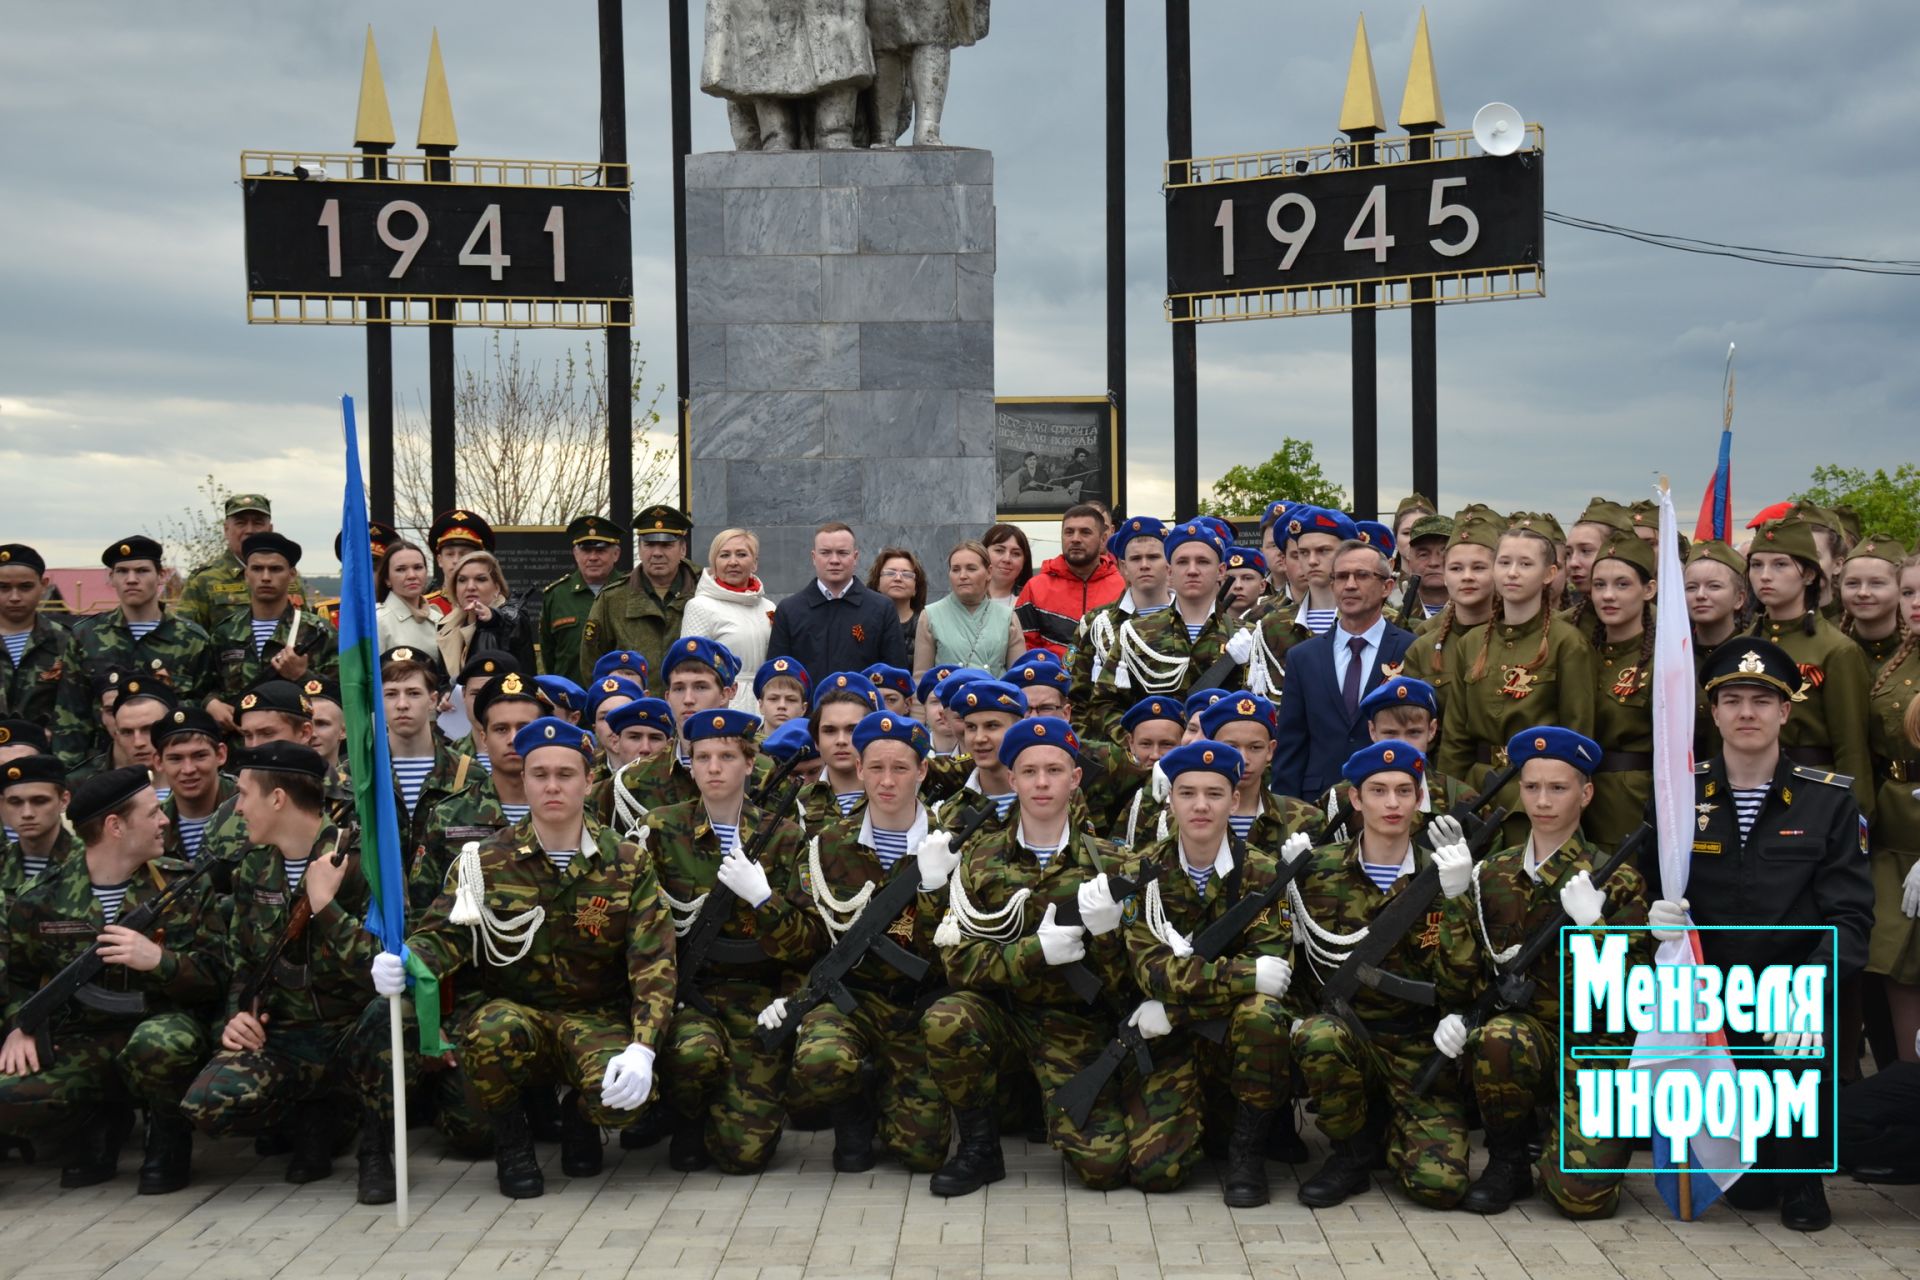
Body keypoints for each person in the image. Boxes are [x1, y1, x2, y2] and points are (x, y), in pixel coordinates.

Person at [375, 714, 676, 1198]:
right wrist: (406, 962)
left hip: (595, 1016)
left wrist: (642, 1048)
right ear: (525, 780)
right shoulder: (484, 860)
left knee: (626, 1099)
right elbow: (445, 936)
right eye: (540, 775)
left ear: (589, 779)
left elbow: (652, 964)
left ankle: (581, 1117)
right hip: (517, 1015)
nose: (552, 786)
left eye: (565, 774)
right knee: (490, 1032)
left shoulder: (626, 862)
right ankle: (512, 1139)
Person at [1648, 637, 1873, 1231]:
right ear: (1714, 712)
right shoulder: (1679, 797)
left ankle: (1805, 1180)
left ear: (1785, 712)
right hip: (1708, 993)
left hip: (1788, 987)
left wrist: (1809, 992)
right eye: (1732, 700)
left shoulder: (1828, 801)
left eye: (1761, 701)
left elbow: (1850, 917)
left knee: (1796, 1077)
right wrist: (1654, 920)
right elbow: (1649, 886)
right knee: (1746, 1195)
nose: (1747, 712)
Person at [1430, 727, 1650, 1219]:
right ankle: (1508, 1160)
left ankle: (1559, 1146)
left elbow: (1628, 994)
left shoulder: (1616, 878)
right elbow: (1458, 977)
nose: (1543, 801)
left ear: (1586, 793)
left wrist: (1595, 926)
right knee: (1498, 1037)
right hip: (1525, 1036)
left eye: (1559, 788)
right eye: (1532, 787)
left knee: (1580, 1198)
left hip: (1594, 1046)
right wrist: (1458, 898)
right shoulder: (1494, 873)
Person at [923, 716, 1133, 1195]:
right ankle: (979, 1147)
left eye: (1055, 771)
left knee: (1105, 1170)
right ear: (1012, 778)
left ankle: (1044, 1107)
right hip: (1001, 1012)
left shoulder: (1113, 863)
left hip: (1075, 1024)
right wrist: (1035, 951)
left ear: (1075, 778)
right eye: (1030, 771)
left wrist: (1105, 938)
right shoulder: (979, 858)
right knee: (947, 1018)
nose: (1042, 783)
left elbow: (1132, 979)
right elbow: (957, 964)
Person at [0, 766, 218, 1194]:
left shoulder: (182, 886)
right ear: (115, 826)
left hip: (159, 1025)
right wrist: (20, 1027)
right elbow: (20, 978)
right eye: (154, 813)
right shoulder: (40, 898)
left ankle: (168, 1136)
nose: (165, 821)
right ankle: (94, 1124)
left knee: (162, 1044)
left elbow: (218, 976)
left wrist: (160, 961)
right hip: (79, 1040)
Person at [759, 710, 952, 1174]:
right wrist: (789, 993)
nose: (888, 782)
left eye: (901, 768)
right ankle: (853, 1111)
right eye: (877, 768)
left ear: (922, 771)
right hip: (850, 1000)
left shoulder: (948, 847)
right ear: (859, 769)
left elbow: (951, 950)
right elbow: (806, 937)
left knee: (923, 1155)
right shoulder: (827, 845)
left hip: (916, 1007)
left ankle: (888, 1095)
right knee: (820, 1060)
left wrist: (933, 889)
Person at [179, 743, 376, 1190]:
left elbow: (382, 968)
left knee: (390, 1024)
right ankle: (304, 1115)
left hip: (353, 1036)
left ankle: (358, 1128)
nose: (238, 807)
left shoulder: (360, 860)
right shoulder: (254, 867)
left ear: (278, 798)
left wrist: (326, 907)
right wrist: (239, 1015)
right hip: (286, 1037)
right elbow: (243, 962)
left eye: (244, 794)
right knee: (208, 1103)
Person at [1290, 741, 1469, 1210]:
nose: (1391, 804)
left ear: (1419, 798)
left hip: (1418, 1046)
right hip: (1347, 1036)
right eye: (1378, 791)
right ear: (1356, 799)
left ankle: (1391, 1128)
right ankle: (1349, 1155)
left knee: (1441, 1186)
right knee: (1317, 1036)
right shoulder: (1319, 873)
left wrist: (1460, 901)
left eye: (1403, 791)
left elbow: (1462, 977)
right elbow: (1296, 965)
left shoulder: (1444, 875)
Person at [1122, 739, 1302, 1205]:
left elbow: (1275, 972)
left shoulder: (1265, 875)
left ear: (1235, 800)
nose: (1200, 805)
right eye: (1187, 793)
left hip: (1233, 1040)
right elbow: (1152, 973)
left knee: (1263, 1013)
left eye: (1214, 793)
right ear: (1170, 799)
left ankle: (1248, 1151)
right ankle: (1203, 1125)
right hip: (1168, 1044)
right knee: (1154, 1171)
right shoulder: (1142, 872)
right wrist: (1243, 977)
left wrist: (1180, 1008)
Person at [648, 708, 815, 1173]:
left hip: (757, 999)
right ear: (690, 764)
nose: (714, 767)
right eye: (702, 757)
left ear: (749, 764)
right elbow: (642, 928)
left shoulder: (783, 837)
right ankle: (685, 1116)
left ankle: (725, 1113)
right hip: (688, 996)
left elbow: (808, 941)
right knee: (692, 1054)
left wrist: (764, 899)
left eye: (727, 756)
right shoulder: (661, 830)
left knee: (744, 1156)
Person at [1435, 516, 1597, 841]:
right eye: (1504, 562)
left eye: (1525, 564)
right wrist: (1448, 800)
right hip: (1475, 790)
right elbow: (1455, 736)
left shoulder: (1568, 643)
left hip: (1536, 795)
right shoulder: (1471, 643)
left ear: (1549, 574)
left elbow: (1577, 733)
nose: (1512, 572)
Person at [1746, 515, 1875, 817]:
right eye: (1756, 565)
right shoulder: (1740, 646)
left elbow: (1851, 749)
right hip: (1749, 789)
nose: (1765, 576)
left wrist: (1856, 817)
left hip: (1814, 793)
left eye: (1780, 564)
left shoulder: (1836, 649)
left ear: (1808, 575)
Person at [1272, 540, 1417, 801]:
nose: (1350, 585)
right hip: (1319, 802)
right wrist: (1287, 815)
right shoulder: (1304, 657)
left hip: (1390, 799)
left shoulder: (1412, 650)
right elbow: (1291, 746)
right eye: (1341, 577)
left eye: (1362, 575)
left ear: (1387, 587)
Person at [56, 537, 212, 766]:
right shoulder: (86, 637)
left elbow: (205, 706)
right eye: (122, 571)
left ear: (160, 576)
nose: (131, 580)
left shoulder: (192, 639)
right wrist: (70, 774)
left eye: (141, 571)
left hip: (175, 767)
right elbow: (70, 713)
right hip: (103, 766)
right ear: (111, 578)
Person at [1086, 523, 1233, 742]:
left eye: (1203, 561)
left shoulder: (1245, 634)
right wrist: (1137, 746)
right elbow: (1104, 705)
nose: (1192, 570)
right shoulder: (1136, 632)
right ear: (1170, 571)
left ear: (1221, 571)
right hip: (1151, 766)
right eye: (1183, 562)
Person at [1859, 543, 1920, 1060]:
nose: (1915, 603)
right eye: (1909, 592)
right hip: (1894, 822)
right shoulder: (1898, 662)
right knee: (1892, 960)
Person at [1566, 533, 1659, 846]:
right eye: (1599, 585)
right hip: (1573, 798)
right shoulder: (1577, 651)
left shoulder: (1663, 659)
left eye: (1622, 584)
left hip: (1631, 803)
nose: (1608, 595)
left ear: (1649, 589)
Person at [205, 533, 337, 730]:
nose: (266, 577)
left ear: (292, 575)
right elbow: (204, 686)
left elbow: (341, 695)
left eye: (275, 569)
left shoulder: (317, 632)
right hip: (238, 749)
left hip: (297, 748)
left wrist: (302, 675)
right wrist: (211, 703)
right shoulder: (225, 632)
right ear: (246, 574)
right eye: (257, 569)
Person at [580, 503, 701, 690]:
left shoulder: (704, 590)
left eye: (667, 545)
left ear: (683, 549)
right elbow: (592, 665)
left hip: (692, 710)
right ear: (639, 548)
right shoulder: (612, 599)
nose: (657, 553)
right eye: (650, 544)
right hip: (633, 714)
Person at [767, 522, 908, 680]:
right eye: (825, 553)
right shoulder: (789, 610)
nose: (834, 560)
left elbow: (895, 675)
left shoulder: (882, 609)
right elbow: (777, 676)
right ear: (814, 557)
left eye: (842, 553)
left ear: (855, 557)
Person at [1400, 506, 1502, 721]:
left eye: (1479, 567)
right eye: (1456, 568)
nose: (1467, 576)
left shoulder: (1516, 635)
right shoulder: (1422, 643)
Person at [1066, 517, 1171, 712]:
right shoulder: (1095, 623)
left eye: (1154, 557)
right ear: (1123, 567)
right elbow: (1076, 699)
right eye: (1135, 559)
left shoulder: (1188, 619)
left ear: (1169, 564)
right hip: (1112, 737)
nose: (1145, 565)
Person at [176, 494, 307, 631]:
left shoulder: (288, 577)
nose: (249, 530)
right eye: (241, 523)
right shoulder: (204, 580)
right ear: (226, 530)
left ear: (270, 529)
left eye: (258, 523)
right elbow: (186, 636)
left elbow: (306, 627)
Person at [678, 528, 771, 713]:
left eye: (742, 554)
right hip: (723, 706)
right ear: (714, 564)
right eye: (724, 555)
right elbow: (690, 668)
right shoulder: (700, 606)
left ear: (755, 563)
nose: (733, 562)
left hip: (766, 705)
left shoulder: (769, 608)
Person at [1014, 505, 1124, 659]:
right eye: (1069, 532)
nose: (1075, 539)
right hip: (1049, 680)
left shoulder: (1123, 588)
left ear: (1103, 539)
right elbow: (1023, 650)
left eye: (1085, 532)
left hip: (1109, 680)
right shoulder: (1036, 588)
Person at [915, 540, 1023, 678]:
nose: (962, 576)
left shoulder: (1007, 617)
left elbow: (1019, 678)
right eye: (955, 569)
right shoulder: (930, 615)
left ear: (989, 572)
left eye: (971, 569)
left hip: (995, 697)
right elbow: (920, 677)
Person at [0, 543, 77, 734]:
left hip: (46, 757)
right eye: (3, 588)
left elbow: (79, 708)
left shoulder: (66, 642)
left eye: (25, 587)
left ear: (43, 586)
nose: (15, 597)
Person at [537, 515, 625, 681]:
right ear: (576, 554)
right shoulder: (556, 595)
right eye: (586, 550)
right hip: (571, 700)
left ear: (616, 554)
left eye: (600, 550)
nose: (592, 557)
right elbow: (549, 655)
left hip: (619, 699)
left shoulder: (630, 590)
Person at [435, 550, 530, 680]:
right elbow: (442, 680)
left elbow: (510, 619)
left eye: (480, 579)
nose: (470, 587)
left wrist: (492, 617)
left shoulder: (511, 617)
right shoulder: (447, 625)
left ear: (497, 588)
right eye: (462, 580)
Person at [151, 707, 231, 861]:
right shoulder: (151, 825)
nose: (188, 769)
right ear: (158, 762)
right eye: (175, 758)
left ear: (221, 755)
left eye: (199, 756)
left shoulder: (249, 810)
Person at [424, 509, 496, 616]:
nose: (456, 560)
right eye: (450, 554)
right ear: (439, 560)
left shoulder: (496, 607)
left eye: (464, 554)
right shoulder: (424, 606)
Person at [376, 540, 441, 654]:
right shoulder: (378, 621)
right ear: (387, 579)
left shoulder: (439, 619)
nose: (412, 575)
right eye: (401, 569)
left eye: (418, 567)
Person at [868, 547, 928, 656]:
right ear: (877, 583)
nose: (898, 578)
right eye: (890, 573)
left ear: (916, 588)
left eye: (907, 574)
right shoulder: (864, 620)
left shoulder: (927, 623)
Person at [1399, 514, 1453, 620]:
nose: (1434, 562)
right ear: (1410, 561)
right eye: (1423, 554)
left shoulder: (1478, 613)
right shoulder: (1391, 614)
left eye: (1444, 553)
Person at [981, 522, 1034, 606]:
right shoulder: (964, 598)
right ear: (983, 553)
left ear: (1024, 561)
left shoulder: (1031, 605)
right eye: (999, 550)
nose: (1007, 559)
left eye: (1016, 553)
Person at [754, 657, 812, 731]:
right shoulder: (744, 742)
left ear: (803, 708)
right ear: (761, 705)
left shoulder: (815, 742)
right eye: (773, 699)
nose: (782, 705)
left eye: (791, 700)